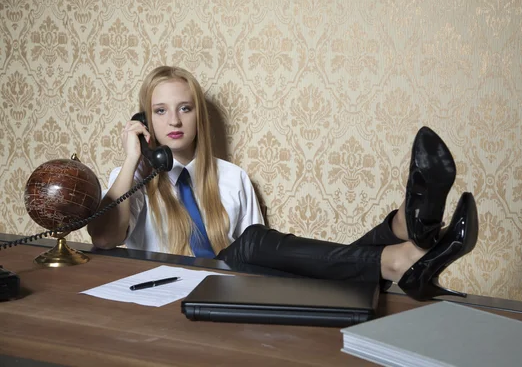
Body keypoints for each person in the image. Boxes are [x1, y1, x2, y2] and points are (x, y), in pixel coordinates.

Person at [88, 66, 479, 302]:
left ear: (198, 117)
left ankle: (401, 233)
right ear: (146, 121)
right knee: (258, 241)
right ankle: (398, 244)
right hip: (169, 299)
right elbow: (104, 239)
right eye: (160, 111)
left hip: (236, 295)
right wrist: (131, 159)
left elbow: (276, 261)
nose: (174, 121)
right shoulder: (134, 181)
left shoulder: (232, 178)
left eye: (184, 108)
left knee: (271, 250)